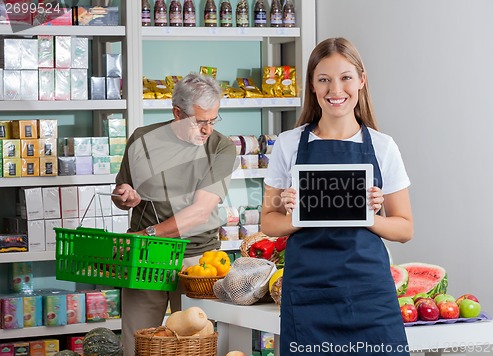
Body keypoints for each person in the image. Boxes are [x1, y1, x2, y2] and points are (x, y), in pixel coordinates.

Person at [261, 37, 414, 355]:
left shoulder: (383, 147)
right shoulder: (289, 145)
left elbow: (404, 228)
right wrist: (296, 215)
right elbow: (269, 222)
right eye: (324, 80)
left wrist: (369, 217)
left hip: (368, 294)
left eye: (345, 78)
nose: (336, 90)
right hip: (308, 294)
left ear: (361, 80)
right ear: (313, 87)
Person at [111, 73, 236, 355]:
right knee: (137, 343)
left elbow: (200, 213)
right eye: (200, 121)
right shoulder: (142, 139)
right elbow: (123, 192)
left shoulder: (221, 147)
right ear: (177, 113)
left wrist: (144, 236)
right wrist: (125, 196)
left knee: (194, 345)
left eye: (213, 120)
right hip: (146, 259)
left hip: (197, 260)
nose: (207, 130)